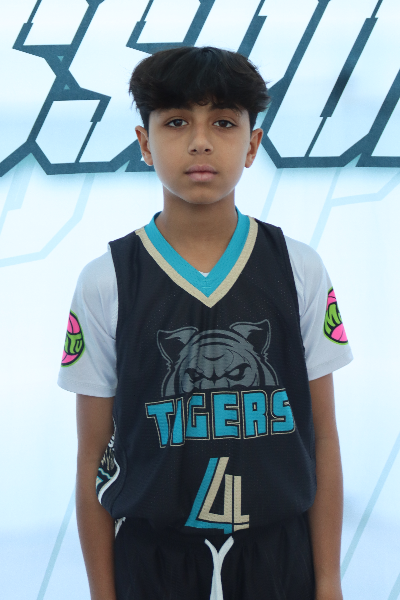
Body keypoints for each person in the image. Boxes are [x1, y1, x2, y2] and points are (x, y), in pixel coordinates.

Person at [58, 46, 353, 600]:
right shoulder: (107, 280)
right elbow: (93, 457)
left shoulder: (298, 268)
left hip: (278, 557)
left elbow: (324, 437)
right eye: (176, 122)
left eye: (223, 122)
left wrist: (328, 580)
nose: (200, 141)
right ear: (145, 142)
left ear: (252, 145)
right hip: (153, 560)